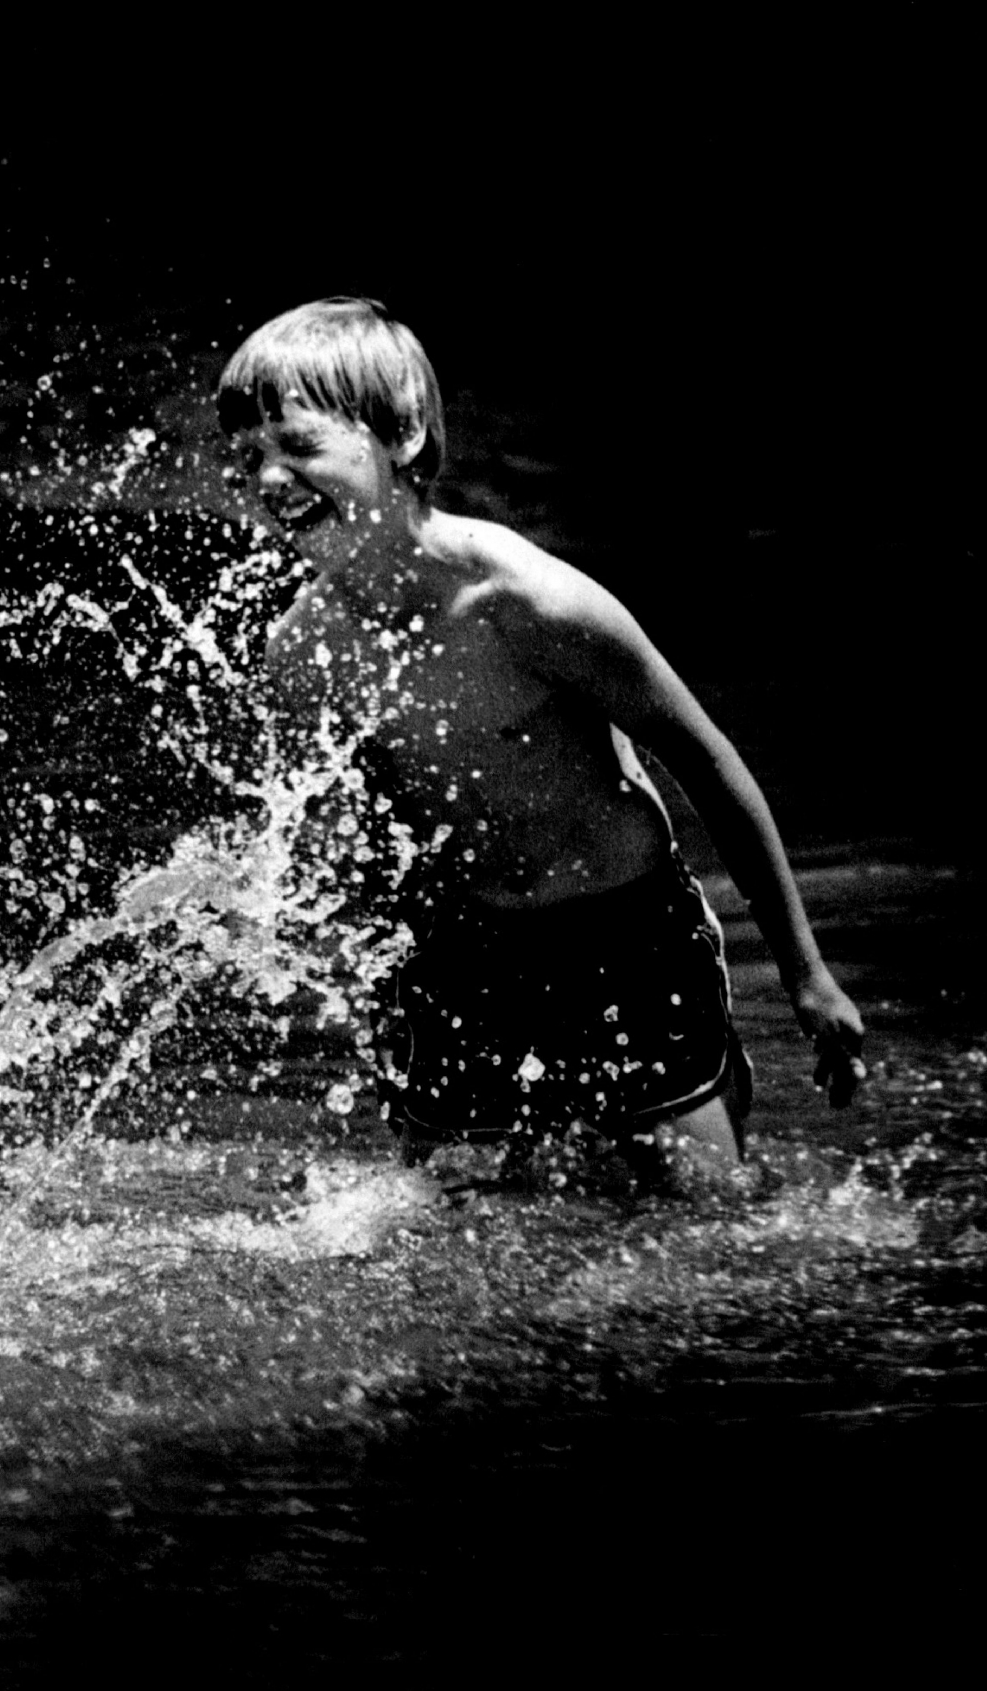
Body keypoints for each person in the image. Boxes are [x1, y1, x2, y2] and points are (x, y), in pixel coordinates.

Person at [213, 297, 862, 1192]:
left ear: (401, 436)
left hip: (624, 928)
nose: (272, 482)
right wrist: (375, 1000)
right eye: (249, 458)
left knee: (704, 1208)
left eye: (301, 448)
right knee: (461, 1218)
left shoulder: (528, 604)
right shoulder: (304, 654)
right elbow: (357, 845)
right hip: (468, 947)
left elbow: (707, 760)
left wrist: (808, 975)